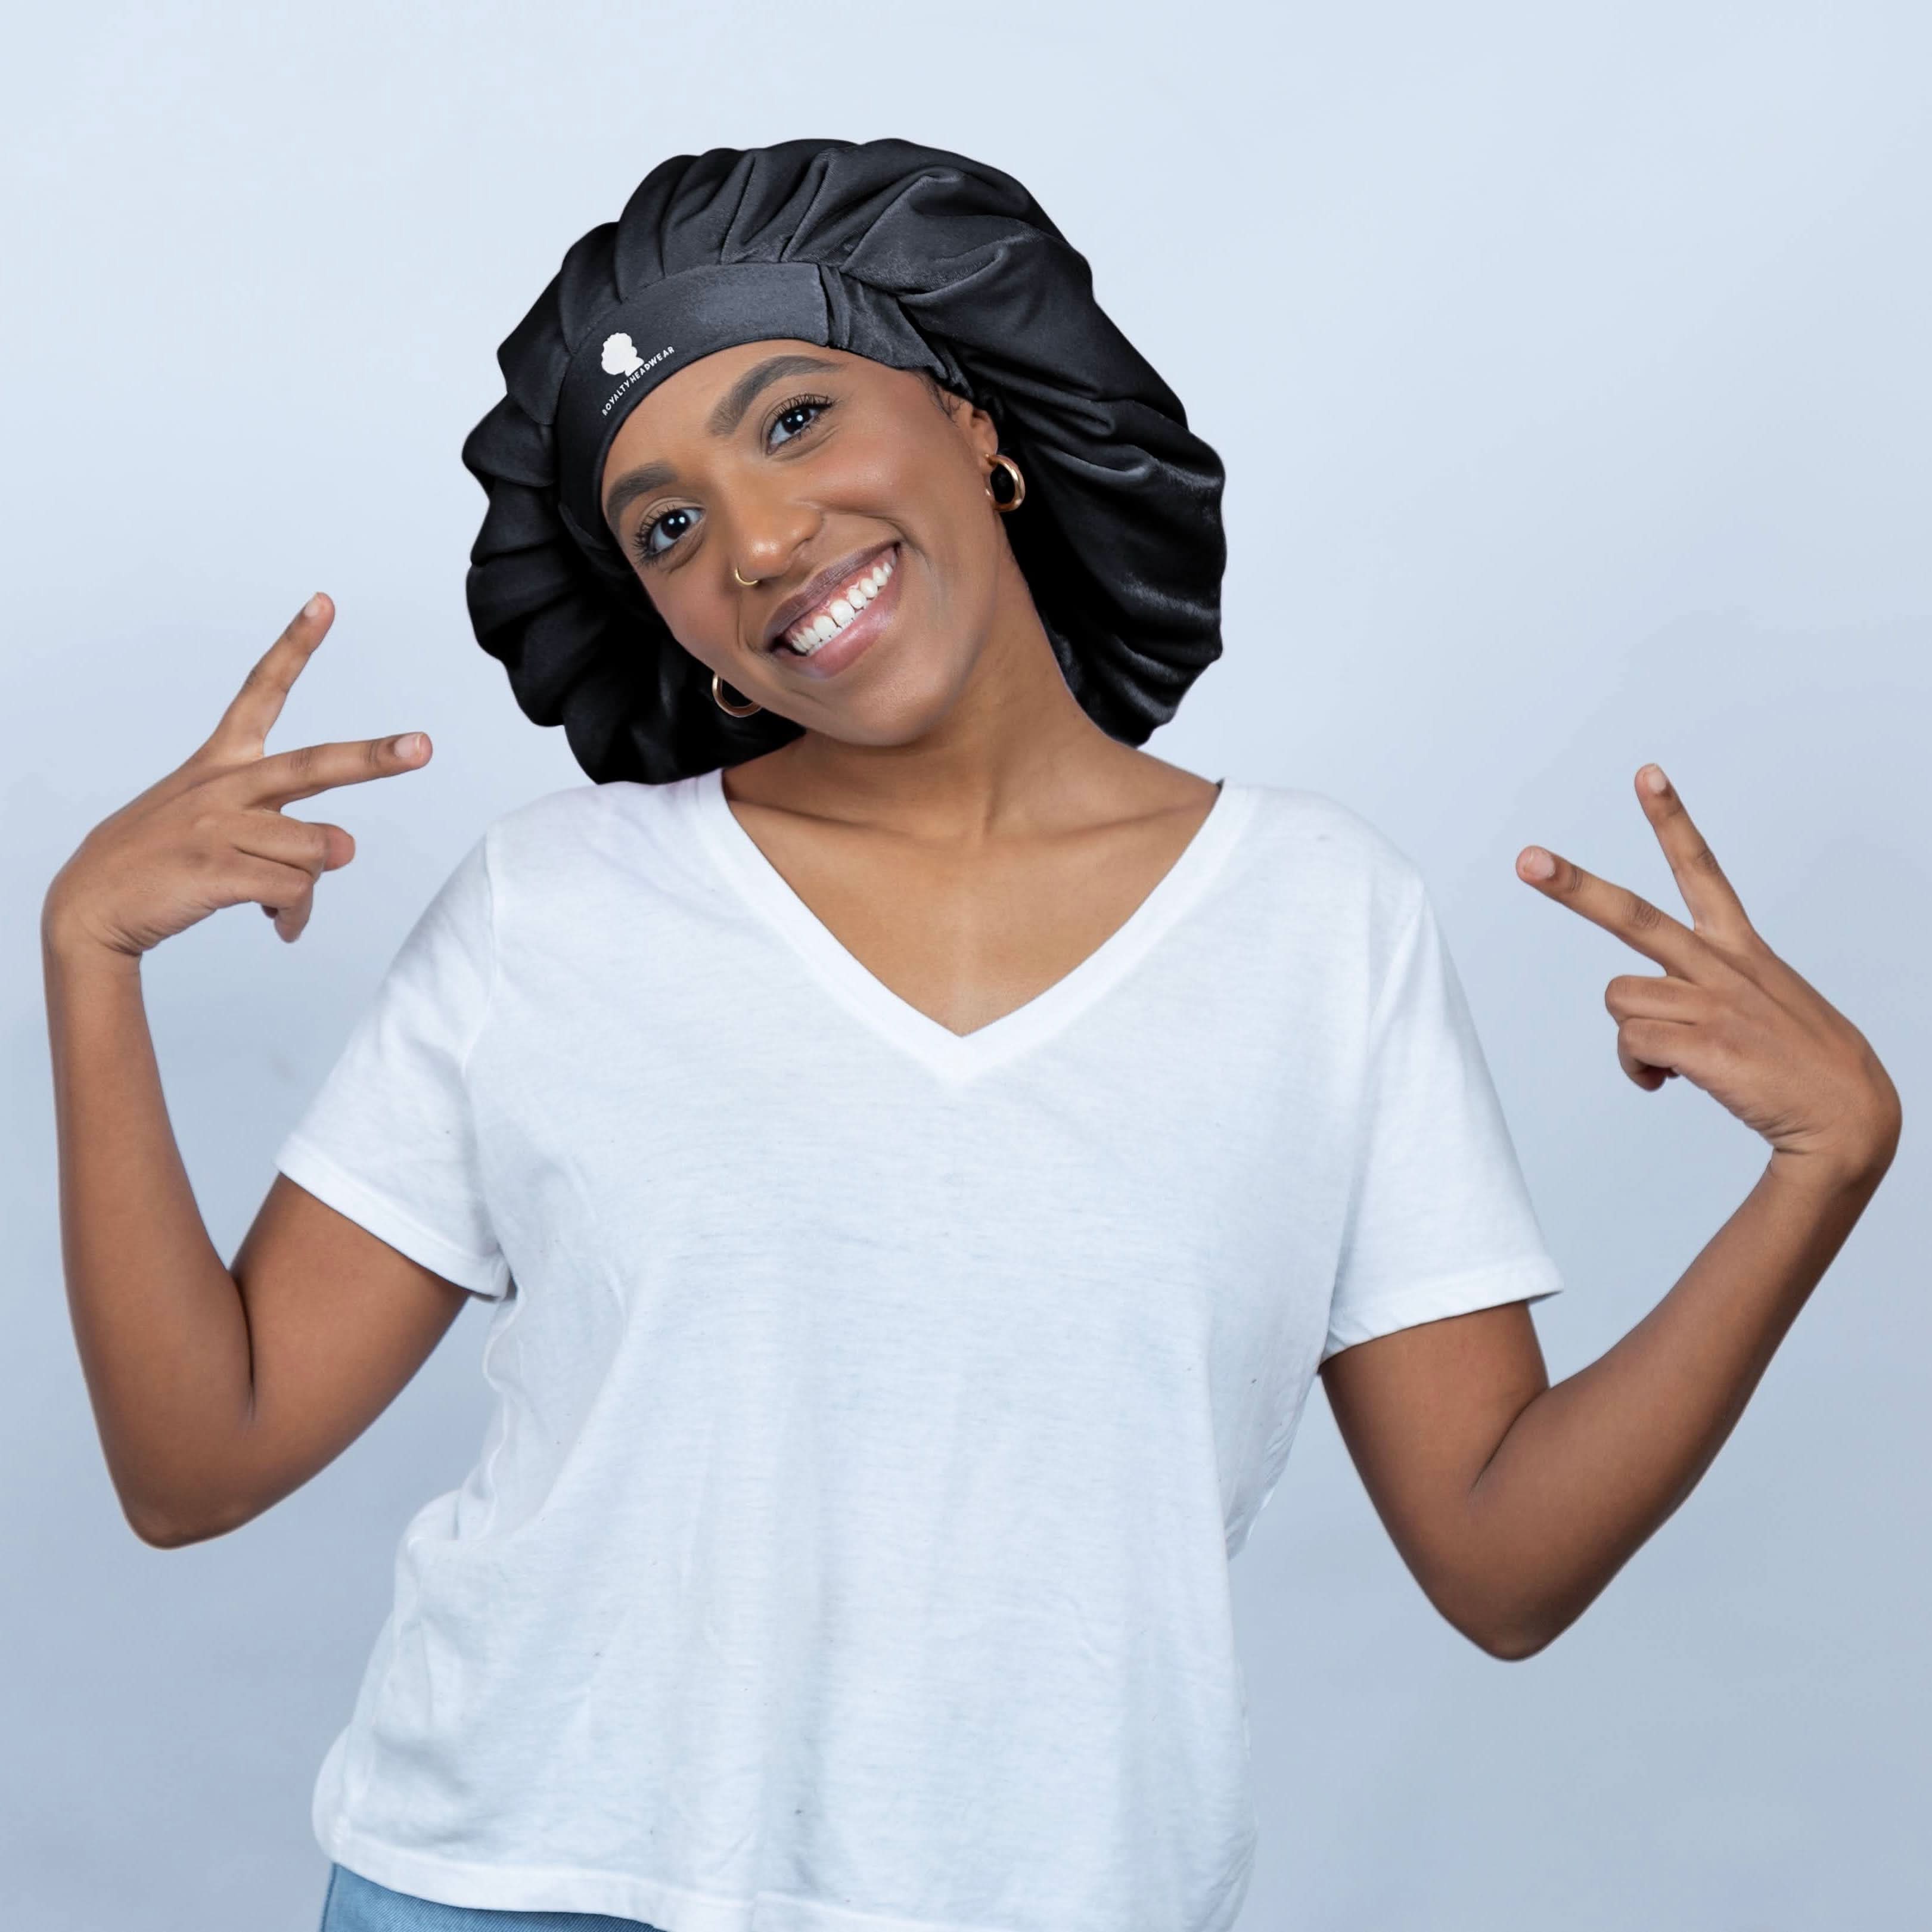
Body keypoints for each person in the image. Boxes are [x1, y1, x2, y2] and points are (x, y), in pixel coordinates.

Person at [39, 139, 1899, 1932]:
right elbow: (200, 1462)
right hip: (511, 1890)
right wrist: (89, 955)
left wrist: (1819, 1170)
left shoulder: (1314, 927)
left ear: (976, 417)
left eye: (794, 417)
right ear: (664, 614)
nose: (760, 539)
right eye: (668, 525)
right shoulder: (557, 908)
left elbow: (1499, 1562)